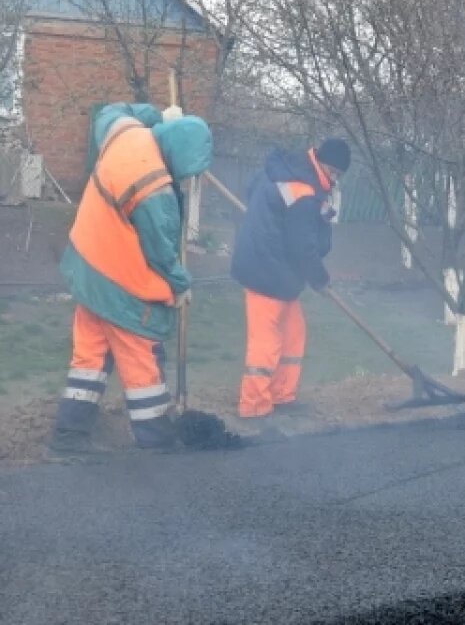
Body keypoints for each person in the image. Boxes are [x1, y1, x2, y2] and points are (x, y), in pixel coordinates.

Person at [50, 102, 213, 454]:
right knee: (143, 363)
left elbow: (110, 111)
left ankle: (67, 440)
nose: (184, 179)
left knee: (89, 361)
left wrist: (156, 115)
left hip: (88, 270)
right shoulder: (155, 188)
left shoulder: (125, 132)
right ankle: (157, 442)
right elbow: (162, 252)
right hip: (121, 286)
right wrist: (180, 285)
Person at [231, 138, 350, 419]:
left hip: (280, 271)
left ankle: (282, 395)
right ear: (322, 163)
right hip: (265, 271)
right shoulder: (303, 191)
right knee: (266, 342)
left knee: (293, 334)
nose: (335, 180)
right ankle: (254, 406)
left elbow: (253, 190)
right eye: (334, 172)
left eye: (338, 175)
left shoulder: (289, 170)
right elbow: (302, 247)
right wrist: (320, 279)